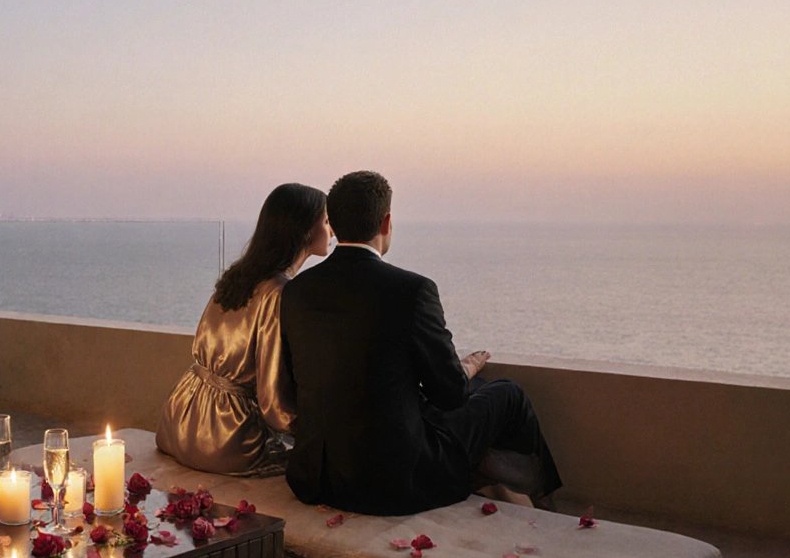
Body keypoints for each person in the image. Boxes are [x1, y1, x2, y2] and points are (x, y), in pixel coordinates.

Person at [281, 170, 562, 514]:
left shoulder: (296, 291)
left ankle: (504, 486)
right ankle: (546, 505)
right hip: (390, 482)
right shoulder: (412, 291)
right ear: (386, 222)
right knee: (506, 393)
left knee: (476, 390)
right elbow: (450, 393)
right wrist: (468, 365)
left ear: (334, 226)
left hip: (317, 477)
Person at [156, 183, 334, 476]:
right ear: (304, 230)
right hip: (227, 438)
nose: (333, 231)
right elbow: (274, 404)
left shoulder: (238, 277)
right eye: (327, 222)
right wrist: (320, 432)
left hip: (180, 417)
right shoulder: (278, 293)